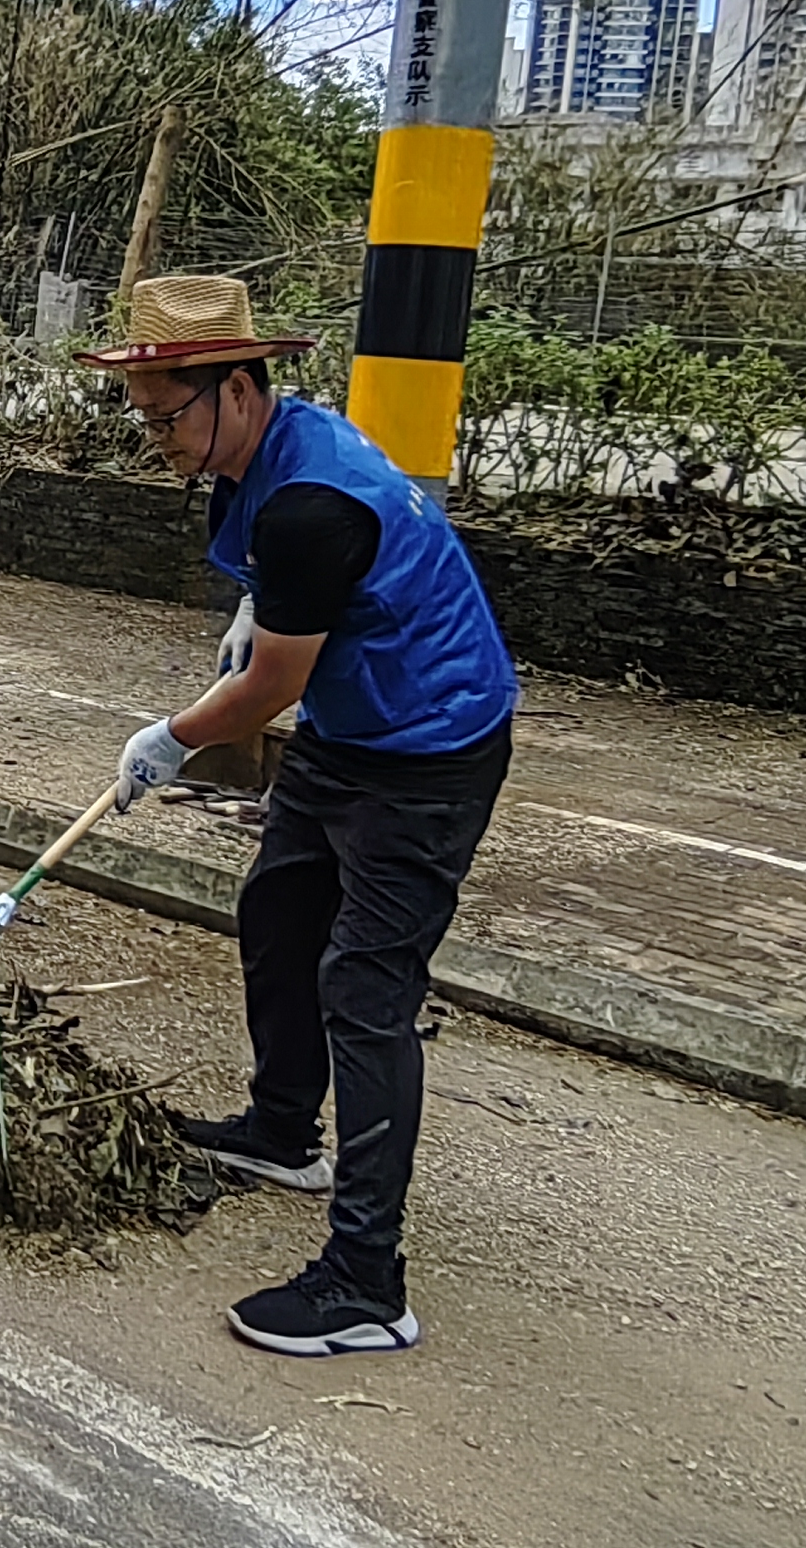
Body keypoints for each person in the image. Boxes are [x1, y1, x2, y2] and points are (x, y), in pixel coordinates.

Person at [86, 274, 517, 1361]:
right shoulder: (271, 448)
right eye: (144, 420)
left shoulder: (312, 503)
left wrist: (171, 737)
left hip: (432, 748)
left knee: (366, 992)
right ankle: (283, 1130)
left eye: (169, 417)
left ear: (235, 388)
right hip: (349, 730)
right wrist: (254, 604)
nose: (159, 442)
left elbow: (269, 686)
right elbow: (280, 608)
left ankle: (368, 1282)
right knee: (280, 913)